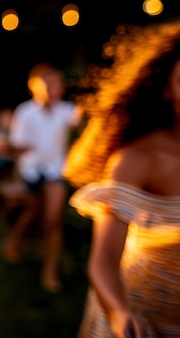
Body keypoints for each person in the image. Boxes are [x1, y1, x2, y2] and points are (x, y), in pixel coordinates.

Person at [64, 20, 180, 338]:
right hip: (142, 319)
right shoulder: (137, 161)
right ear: (168, 90)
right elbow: (103, 260)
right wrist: (118, 312)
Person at [5, 62, 82, 292]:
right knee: (33, 211)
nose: (51, 88)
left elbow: (87, 120)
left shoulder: (68, 111)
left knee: (53, 219)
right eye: (46, 84)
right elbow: (17, 146)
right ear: (33, 87)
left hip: (55, 171)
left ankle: (50, 271)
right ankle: (14, 243)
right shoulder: (25, 112)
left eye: (55, 83)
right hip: (31, 171)